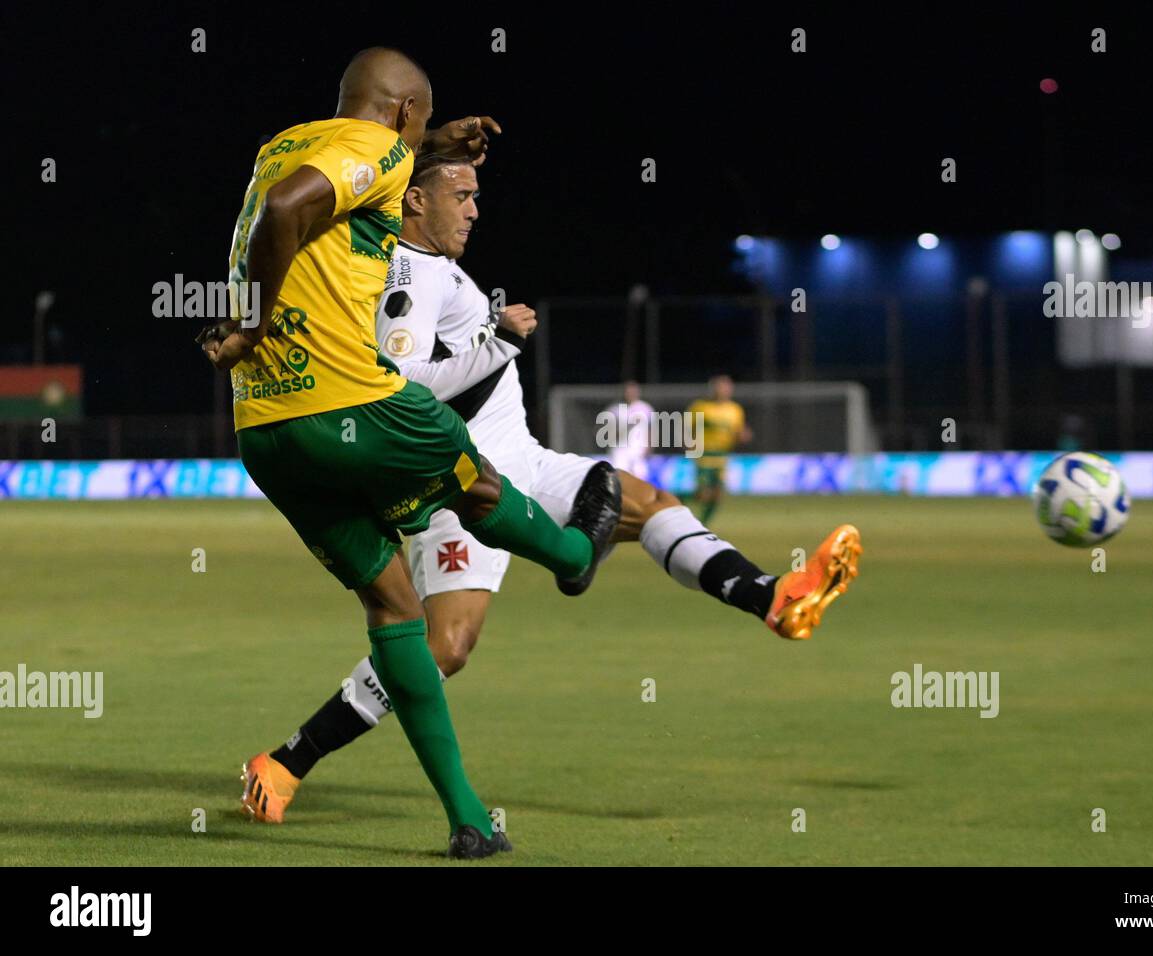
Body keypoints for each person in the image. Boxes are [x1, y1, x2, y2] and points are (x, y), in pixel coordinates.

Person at [237, 151, 863, 823]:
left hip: (524, 462)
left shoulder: (436, 266)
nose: (476, 209)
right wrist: (497, 344)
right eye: (463, 195)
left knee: (651, 504)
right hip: (463, 485)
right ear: (414, 202)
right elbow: (399, 386)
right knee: (445, 648)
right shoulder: (409, 274)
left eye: (478, 195)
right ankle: (287, 761)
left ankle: (771, 596)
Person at [199, 48, 621, 860]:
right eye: (421, 127)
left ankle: (468, 820)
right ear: (400, 117)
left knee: (397, 609)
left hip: (267, 427)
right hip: (354, 401)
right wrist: (252, 320)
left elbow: (299, 192)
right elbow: (294, 208)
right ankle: (573, 553)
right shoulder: (378, 152)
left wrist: (432, 145)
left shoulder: (280, 149)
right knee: (480, 485)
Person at [687, 374, 750, 522]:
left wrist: (743, 436)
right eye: (720, 387)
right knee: (703, 494)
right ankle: (679, 498)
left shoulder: (735, 410)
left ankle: (702, 523)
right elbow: (686, 429)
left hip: (722, 456)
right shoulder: (700, 407)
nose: (723, 390)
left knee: (718, 494)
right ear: (713, 388)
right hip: (704, 455)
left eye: (727, 387)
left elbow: (738, 431)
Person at [604, 381, 655, 481]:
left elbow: (651, 429)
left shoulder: (645, 408)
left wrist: (650, 446)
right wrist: (628, 426)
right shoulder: (615, 409)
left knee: (640, 479)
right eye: (628, 391)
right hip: (620, 450)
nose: (630, 394)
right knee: (619, 479)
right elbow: (608, 432)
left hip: (638, 450)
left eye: (633, 391)